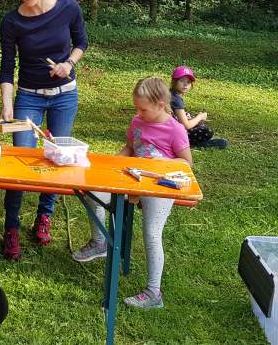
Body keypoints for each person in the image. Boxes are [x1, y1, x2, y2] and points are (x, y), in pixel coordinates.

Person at [72, 77, 192, 310]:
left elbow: (187, 163)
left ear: (160, 105)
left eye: (143, 109)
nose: (138, 113)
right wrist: (112, 163)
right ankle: (100, 242)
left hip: (159, 187)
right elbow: (129, 147)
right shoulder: (138, 121)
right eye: (136, 108)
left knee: (151, 234)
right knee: (93, 192)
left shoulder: (175, 129)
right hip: (131, 181)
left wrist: (160, 163)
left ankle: (154, 292)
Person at [0, 0, 89, 260]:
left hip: (65, 96)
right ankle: (11, 227)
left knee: (57, 156)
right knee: (20, 161)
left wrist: (69, 64)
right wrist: (8, 104)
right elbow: (7, 66)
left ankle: (44, 216)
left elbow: (81, 42)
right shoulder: (12, 22)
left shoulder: (69, 9)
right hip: (29, 96)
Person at [170, 66, 228, 149]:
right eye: (182, 80)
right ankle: (197, 144)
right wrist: (199, 117)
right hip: (173, 135)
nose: (185, 84)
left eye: (188, 82)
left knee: (199, 125)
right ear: (174, 81)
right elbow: (186, 125)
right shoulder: (176, 99)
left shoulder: (171, 93)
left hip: (169, 130)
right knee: (206, 131)